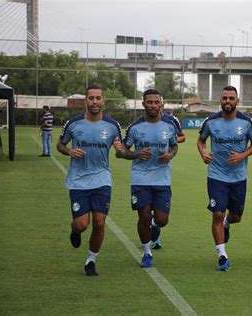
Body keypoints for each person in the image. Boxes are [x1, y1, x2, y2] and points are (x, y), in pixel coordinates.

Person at [57, 84, 123, 276]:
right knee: (81, 224)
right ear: (85, 100)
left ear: (103, 101)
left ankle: (91, 261)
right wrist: (69, 151)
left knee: (100, 222)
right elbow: (60, 144)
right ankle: (75, 230)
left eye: (98, 98)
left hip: (102, 179)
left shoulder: (112, 126)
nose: (95, 102)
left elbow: (122, 152)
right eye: (91, 98)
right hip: (78, 180)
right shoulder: (73, 123)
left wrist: (121, 150)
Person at [114, 89, 178, 268]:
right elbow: (121, 153)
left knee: (162, 219)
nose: (153, 105)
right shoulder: (135, 128)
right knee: (143, 215)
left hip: (162, 179)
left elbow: (174, 146)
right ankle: (147, 252)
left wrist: (170, 155)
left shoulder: (169, 126)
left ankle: (154, 225)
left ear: (161, 104)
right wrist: (136, 154)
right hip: (140, 179)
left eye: (156, 102)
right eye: (149, 102)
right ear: (143, 104)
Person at [197, 85, 252, 271]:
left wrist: (242, 155)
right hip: (216, 175)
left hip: (239, 177)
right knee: (217, 213)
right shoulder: (210, 122)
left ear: (237, 101)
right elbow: (201, 141)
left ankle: (226, 224)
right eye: (225, 98)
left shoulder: (246, 122)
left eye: (231, 98)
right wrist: (204, 153)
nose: (228, 102)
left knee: (236, 217)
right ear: (220, 101)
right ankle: (222, 256)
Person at [148, 102, 186, 250]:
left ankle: (155, 230)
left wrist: (170, 141)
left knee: (160, 211)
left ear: (162, 105)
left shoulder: (172, 120)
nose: (156, 106)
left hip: (163, 165)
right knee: (148, 208)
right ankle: (151, 238)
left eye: (159, 103)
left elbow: (182, 137)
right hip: (146, 166)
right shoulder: (143, 122)